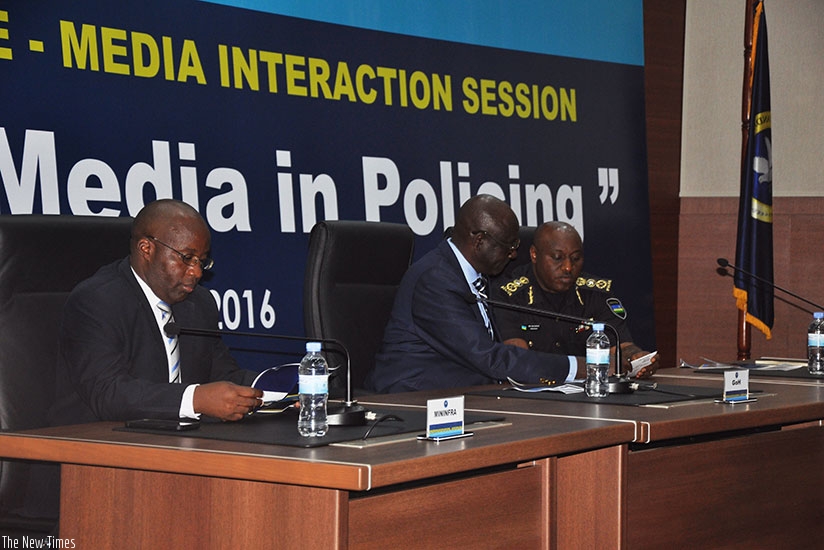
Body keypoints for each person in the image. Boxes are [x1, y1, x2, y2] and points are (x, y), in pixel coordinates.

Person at [50, 199, 263, 424]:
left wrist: (284, 387)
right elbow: (108, 393)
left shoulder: (199, 303)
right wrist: (195, 399)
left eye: (201, 261)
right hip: (97, 441)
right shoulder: (97, 300)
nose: (197, 272)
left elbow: (224, 375)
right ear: (146, 249)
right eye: (186, 258)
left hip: (177, 441)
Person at [364, 194, 584, 393]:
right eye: (508, 246)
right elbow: (488, 357)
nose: (514, 254)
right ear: (479, 241)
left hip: (467, 395)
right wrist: (578, 367)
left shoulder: (481, 276)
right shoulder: (435, 280)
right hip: (412, 399)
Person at [491, 221, 658, 378]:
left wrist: (637, 358)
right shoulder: (508, 296)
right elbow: (519, 362)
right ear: (534, 254)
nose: (568, 267)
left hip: (589, 393)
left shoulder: (595, 294)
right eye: (557, 258)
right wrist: (577, 368)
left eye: (576, 258)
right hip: (534, 393)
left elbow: (621, 347)